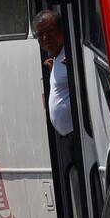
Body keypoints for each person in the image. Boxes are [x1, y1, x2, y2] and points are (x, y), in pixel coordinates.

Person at [33, 9, 73, 137]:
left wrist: (74, 67)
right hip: (69, 135)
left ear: (61, 29)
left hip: (79, 134)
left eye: (49, 31)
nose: (45, 38)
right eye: (40, 34)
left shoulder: (71, 54)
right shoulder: (57, 57)